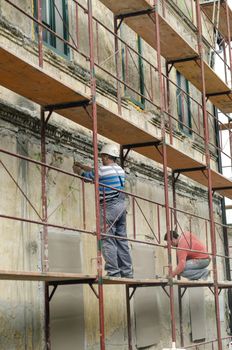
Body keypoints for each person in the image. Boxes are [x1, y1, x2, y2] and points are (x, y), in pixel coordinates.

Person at [73, 143, 133, 278]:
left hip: (109, 207)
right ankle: (127, 271)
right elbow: (97, 172)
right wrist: (84, 166)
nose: (101, 159)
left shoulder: (102, 170)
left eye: (102, 157)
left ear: (106, 157)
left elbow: (88, 177)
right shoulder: (120, 170)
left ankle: (114, 271)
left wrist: (78, 170)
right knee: (121, 239)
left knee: (107, 239)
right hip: (121, 206)